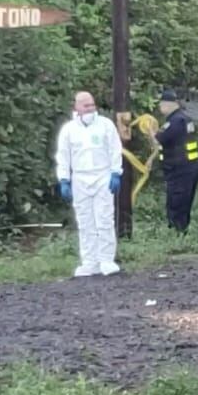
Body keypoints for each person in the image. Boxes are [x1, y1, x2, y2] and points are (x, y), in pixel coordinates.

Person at [55, 91, 124, 277]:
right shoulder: (69, 130)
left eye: (92, 105)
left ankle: (107, 260)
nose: (90, 109)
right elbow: (63, 156)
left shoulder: (105, 125)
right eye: (86, 106)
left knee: (104, 219)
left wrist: (116, 173)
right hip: (79, 179)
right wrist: (64, 180)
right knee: (85, 221)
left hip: (102, 176)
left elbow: (115, 149)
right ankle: (90, 261)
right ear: (76, 107)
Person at [151, 89, 198, 234]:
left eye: (160, 104)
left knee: (176, 203)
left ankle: (176, 232)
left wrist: (149, 132)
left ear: (168, 104)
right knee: (184, 202)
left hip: (179, 169)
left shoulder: (175, 121)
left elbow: (157, 141)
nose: (160, 107)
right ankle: (181, 231)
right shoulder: (184, 119)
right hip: (188, 168)